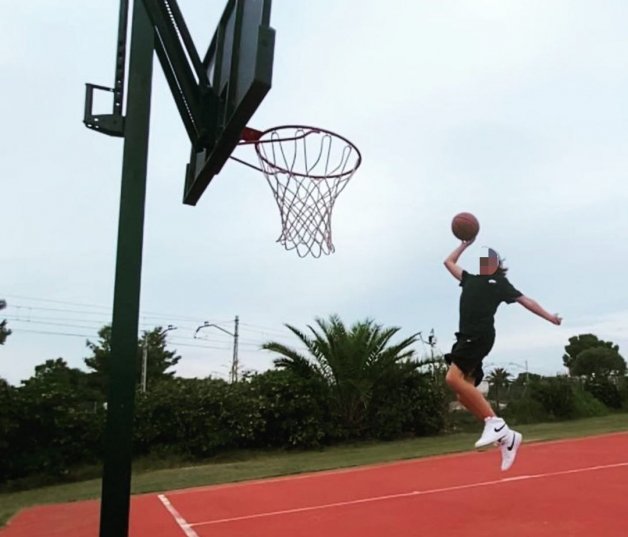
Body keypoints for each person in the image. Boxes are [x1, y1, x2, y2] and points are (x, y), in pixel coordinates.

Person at [443, 239, 561, 471]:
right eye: (482, 259)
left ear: (497, 264)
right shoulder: (469, 279)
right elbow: (448, 262)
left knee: (452, 379)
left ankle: (495, 423)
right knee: (463, 395)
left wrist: (549, 317)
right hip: (465, 338)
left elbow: (525, 300)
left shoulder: (499, 283)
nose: (484, 262)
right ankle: (508, 439)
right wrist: (465, 243)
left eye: (489, 259)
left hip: (479, 336)